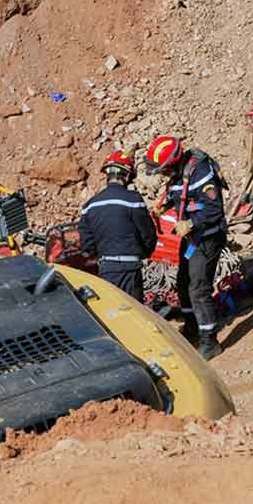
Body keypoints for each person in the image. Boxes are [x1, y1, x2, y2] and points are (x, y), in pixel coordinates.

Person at [145, 135, 228, 359]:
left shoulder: (201, 174)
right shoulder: (179, 174)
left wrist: (191, 222)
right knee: (183, 284)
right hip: (191, 237)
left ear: (172, 162)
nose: (161, 173)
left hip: (208, 237)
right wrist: (165, 207)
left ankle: (210, 341)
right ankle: (193, 326)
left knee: (198, 288)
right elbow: (182, 198)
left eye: (162, 168)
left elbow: (214, 210)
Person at [79, 150, 157, 302]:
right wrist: (145, 253)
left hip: (107, 268)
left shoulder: (90, 205)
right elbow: (148, 234)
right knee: (134, 312)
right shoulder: (133, 200)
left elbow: (87, 245)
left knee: (112, 311)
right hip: (130, 268)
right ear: (127, 175)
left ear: (107, 175)